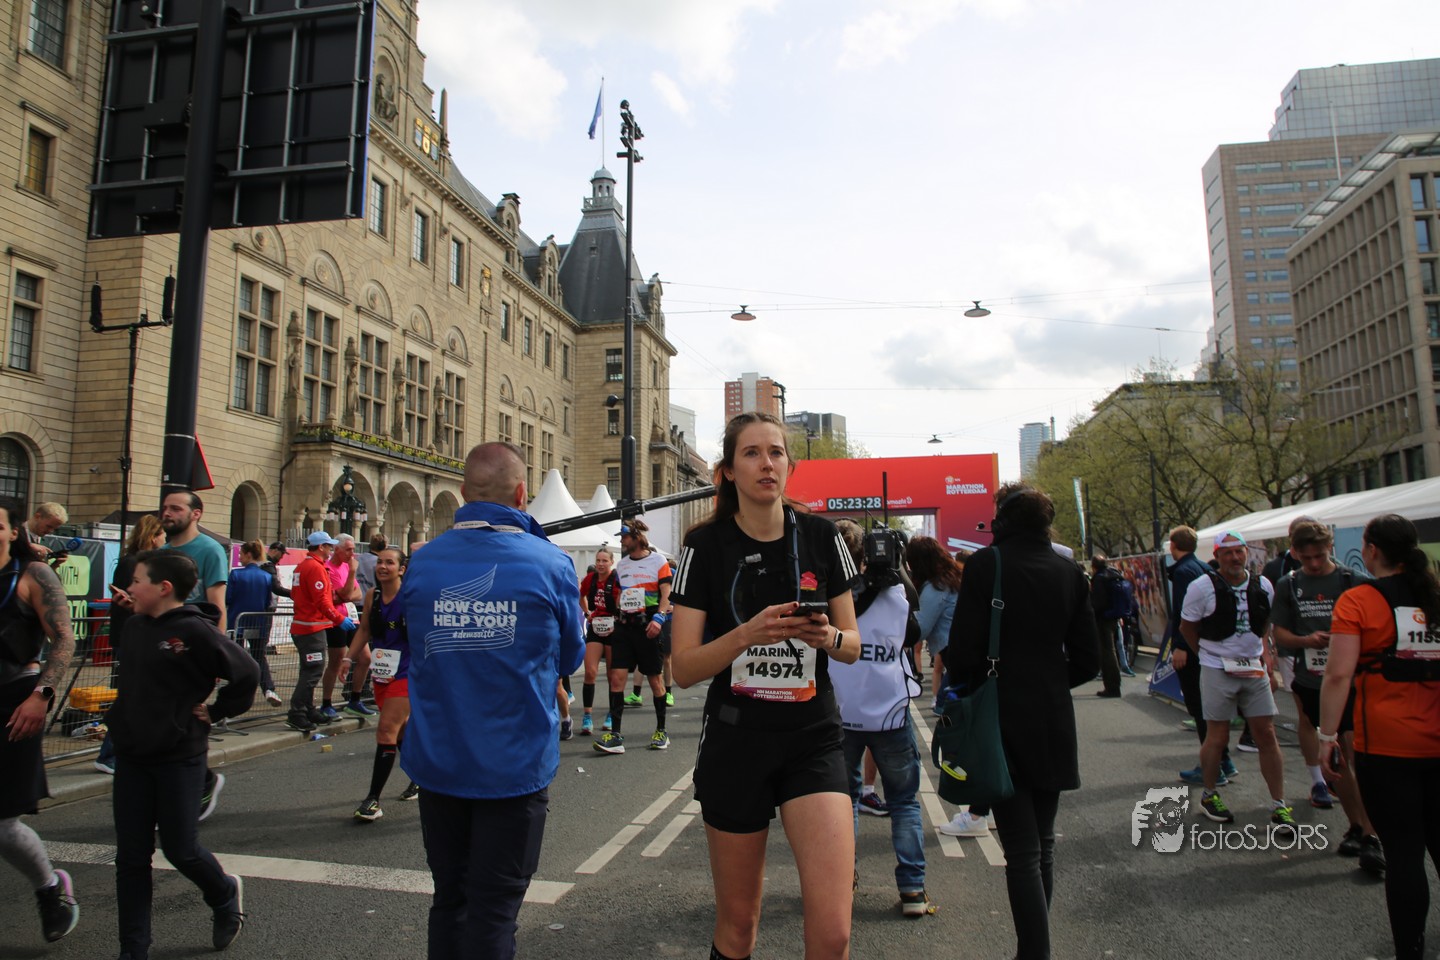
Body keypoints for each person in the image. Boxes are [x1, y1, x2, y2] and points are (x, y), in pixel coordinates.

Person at [670, 412, 861, 960]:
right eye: (751, 453)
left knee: (833, 933)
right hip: (736, 741)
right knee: (739, 926)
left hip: (812, 738)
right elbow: (682, 669)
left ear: (789, 465)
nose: (766, 463)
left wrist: (826, 636)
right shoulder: (704, 547)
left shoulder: (822, 536)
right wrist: (747, 636)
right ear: (729, 471)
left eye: (776, 452)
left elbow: (852, 645)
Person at [400, 442, 584, 960]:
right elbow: (570, 655)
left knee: (450, 899)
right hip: (514, 763)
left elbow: (416, 642)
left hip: (440, 759)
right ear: (523, 494)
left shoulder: (423, 562)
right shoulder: (551, 563)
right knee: (495, 911)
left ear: (463, 492)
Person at [943, 483, 1098, 960]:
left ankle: (1034, 954)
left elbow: (963, 650)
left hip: (1000, 715)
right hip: (1052, 715)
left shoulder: (987, 564)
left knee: (1022, 852)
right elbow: (1089, 659)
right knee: (1042, 845)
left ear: (1002, 519)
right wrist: (1049, 678)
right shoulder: (1070, 572)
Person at [108, 549, 257, 959]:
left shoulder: (194, 631)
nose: (130, 587)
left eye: (137, 581)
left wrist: (217, 710)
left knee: (181, 850)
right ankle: (133, 948)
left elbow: (246, 672)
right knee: (131, 858)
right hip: (133, 754)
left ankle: (223, 893)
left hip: (179, 755)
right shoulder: (135, 624)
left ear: (164, 587)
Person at [1320, 514, 1440, 960]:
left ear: (1370, 550)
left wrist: (1327, 736)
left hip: (1387, 746)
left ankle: (1410, 950)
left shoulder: (1358, 600)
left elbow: (1337, 675)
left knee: (1405, 855)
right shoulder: (1435, 595)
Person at [830, 520, 932, 916]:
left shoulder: (831, 595)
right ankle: (913, 890)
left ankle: (843, 881)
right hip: (890, 710)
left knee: (846, 801)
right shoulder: (898, 591)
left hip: (842, 710)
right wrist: (897, 569)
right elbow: (912, 634)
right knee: (904, 802)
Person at [1269, 519, 1383, 872]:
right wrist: (1307, 640)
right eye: (1307, 558)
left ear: (1330, 548)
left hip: (1354, 683)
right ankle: (1356, 826)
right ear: (1295, 553)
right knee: (1337, 762)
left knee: (1355, 753)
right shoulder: (1289, 585)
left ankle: (1372, 835)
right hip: (1312, 683)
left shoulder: (1355, 581)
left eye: (1320, 556)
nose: (1315, 564)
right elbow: (1280, 634)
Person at [0, 497, 80, 945]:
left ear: (14, 531)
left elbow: (64, 640)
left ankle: (50, 890)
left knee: (2, 824)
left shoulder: (32, 575)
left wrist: (41, 696)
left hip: (15, 702)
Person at [1179, 531, 1294, 832]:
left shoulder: (1263, 584)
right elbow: (1187, 627)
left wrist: (1266, 655)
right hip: (1217, 667)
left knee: (1266, 733)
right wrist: (1206, 656)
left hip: (1253, 667)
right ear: (1217, 556)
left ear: (1246, 553)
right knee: (1217, 736)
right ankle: (1209, 794)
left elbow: (1266, 622)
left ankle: (1279, 804)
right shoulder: (1201, 587)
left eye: (1239, 551)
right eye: (1227, 552)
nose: (1234, 557)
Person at [349, 546, 419, 821]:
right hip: (381, 673)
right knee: (400, 734)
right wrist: (348, 659)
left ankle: (372, 800)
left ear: (402, 569)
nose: (382, 567)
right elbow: (365, 630)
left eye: (389, 563)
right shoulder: (373, 596)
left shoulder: (410, 596)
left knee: (386, 730)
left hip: (406, 673)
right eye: (380, 562)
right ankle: (422, 777)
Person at [593, 518, 673, 755]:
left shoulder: (658, 561)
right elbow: (620, 595)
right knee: (616, 679)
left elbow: (667, 594)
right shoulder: (623, 565)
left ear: (637, 537)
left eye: (625, 537)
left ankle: (661, 731)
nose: (622, 541)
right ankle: (616, 735)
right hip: (625, 627)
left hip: (648, 626)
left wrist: (659, 618)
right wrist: (616, 611)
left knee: (655, 680)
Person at [1168, 526, 1240, 787]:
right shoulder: (1203, 568)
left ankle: (1213, 767)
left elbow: (1184, 613)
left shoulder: (1184, 572)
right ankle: (1223, 760)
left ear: (1173, 545)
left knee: (1200, 708)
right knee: (1209, 708)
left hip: (1193, 647)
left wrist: (1181, 646)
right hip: (1208, 645)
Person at [95, 515, 167, 775]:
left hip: (137, 636)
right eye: (162, 535)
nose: (165, 539)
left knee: (139, 696)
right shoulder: (133, 563)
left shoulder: (140, 562)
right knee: (131, 698)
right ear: (153, 537)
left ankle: (130, 750)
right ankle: (109, 754)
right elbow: (128, 600)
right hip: (132, 637)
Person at [286, 532, 356, 733]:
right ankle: (297, 712)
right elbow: (322, 601)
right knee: (313, 670)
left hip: (306, 625)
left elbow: (297, 594)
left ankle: (308, 709)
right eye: (329, 546)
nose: (331, 550)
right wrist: (339, 618)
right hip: (311, 626)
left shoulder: (302, 566)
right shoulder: (316, 567)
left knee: (309, 669)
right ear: (321, 547)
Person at [905, 536, 961, 714]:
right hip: (960, 651)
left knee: (943, 708)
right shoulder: (950, 579)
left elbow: (919, 629)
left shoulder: (936, 587)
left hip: (954, 653)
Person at [226, 541, 284, 707]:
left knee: (236, 656)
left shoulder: (236, 574)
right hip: (258, 622)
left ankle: (239, 691)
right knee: (259, 656)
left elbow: (228, 598)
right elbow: (267, 602)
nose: (239, 557)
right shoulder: (266, 576)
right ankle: (268, 689)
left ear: (249, 555)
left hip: (237, 622)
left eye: (241, 554)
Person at [160, 492, 228, 631]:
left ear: (196, 514)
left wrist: (219, 641)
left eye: (176, 509)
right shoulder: (160, 553)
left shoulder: (211, 550)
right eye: (165, 508)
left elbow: (217, 606)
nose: (167, 513)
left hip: (195, 635)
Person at [321, 533, 367, 719]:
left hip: (352, 618)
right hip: (336, 620)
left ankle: (355, 699)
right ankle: (326, 702)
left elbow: (357, 594)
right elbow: (347, 594)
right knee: (336, 661)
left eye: (353, 549)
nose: (352, 554)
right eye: (348, 550)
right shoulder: (329, 568)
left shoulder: (347, 566)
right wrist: (352, 574)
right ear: (337, 550)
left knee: (365, 658)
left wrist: (344, 595)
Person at [578, 547, 621, 735]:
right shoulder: (590, 579)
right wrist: (587, 612)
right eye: (598, 560)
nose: (601, 564)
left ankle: (611, 714)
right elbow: (580, 595)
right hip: (596, 626)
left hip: (613, 628)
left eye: (604, 561)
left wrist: (618, 615)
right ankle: (587, 716)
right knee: (590, 671)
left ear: (611, 562)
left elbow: (623, 599)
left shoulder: (617, 579)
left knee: (612, 675)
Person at [1089, 554, 1125, 697]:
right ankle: (1114, 684)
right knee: (1112, 650)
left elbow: (1098, 603)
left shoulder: (1099, 579)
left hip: (1103, 619)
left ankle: (1111, 686)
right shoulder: (1114, 574)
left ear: (1094, 566)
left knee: (1107, 652)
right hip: (1114, 617)